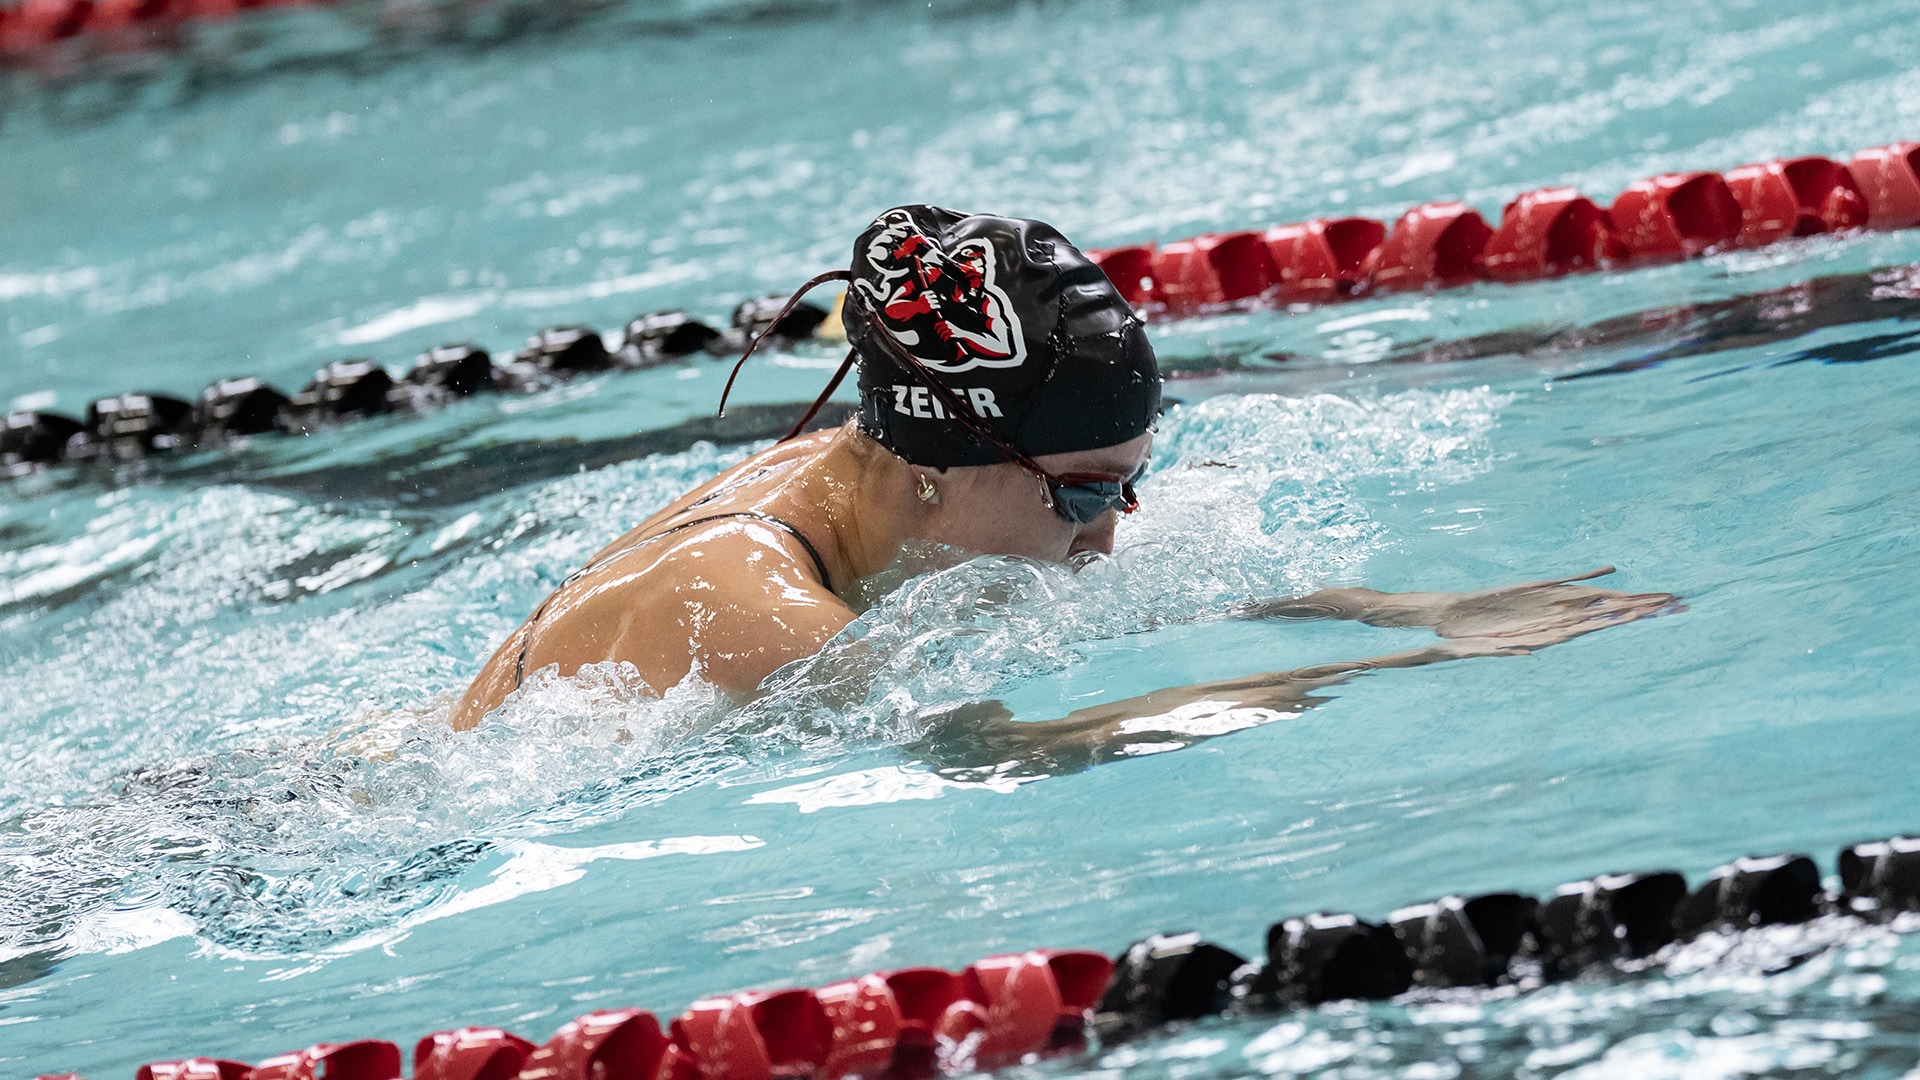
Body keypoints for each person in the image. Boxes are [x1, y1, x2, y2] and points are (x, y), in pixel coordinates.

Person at [451, 205, 1677, 750]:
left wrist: (1419, 607)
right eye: (1088, 494)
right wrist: (1395, 669)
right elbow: (1016, 750)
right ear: (951, 462)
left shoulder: (880, 478)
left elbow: (1159, 576)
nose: (1105, 536)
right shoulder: (760, 602)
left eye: (1126, 488)